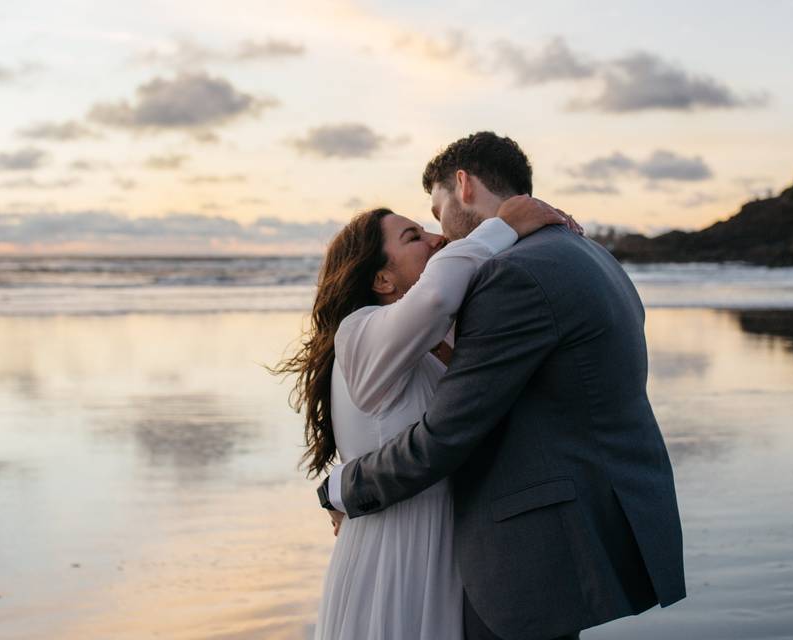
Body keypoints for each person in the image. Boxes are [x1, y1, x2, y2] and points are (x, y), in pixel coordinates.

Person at [318, 132, 686, 640]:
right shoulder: (589, 255)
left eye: (435, 211)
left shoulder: (512, 276)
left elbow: (445, 433)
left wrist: (343, 487)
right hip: (559, 533)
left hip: (526, 551)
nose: (441, 235)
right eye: (416, 233)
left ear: (463, 186)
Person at [276, 194, 568, 639]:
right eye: (414, 236)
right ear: (382, 279)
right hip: (393, 559)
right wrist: (503, 225)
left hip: (445, 555)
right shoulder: (359, 332)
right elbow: (435, 295)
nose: (439, 239)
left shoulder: (426, 346)